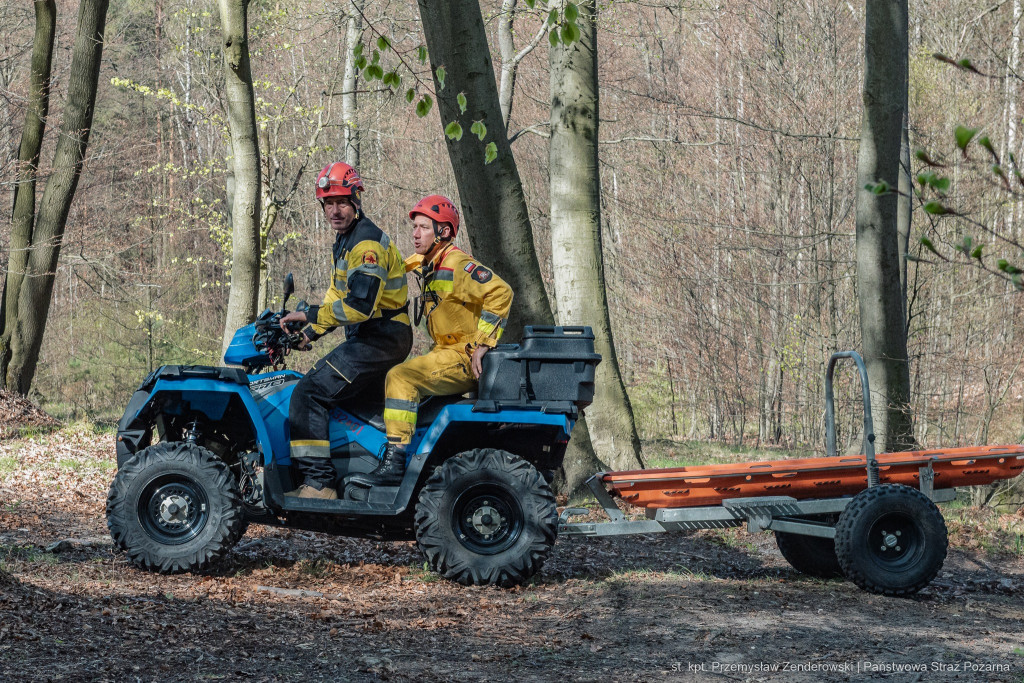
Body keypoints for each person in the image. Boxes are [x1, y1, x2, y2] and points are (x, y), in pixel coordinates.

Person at [349, 195, 513, 488]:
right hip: (444, 352)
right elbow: (400, 265)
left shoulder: (457, 264)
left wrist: (484, 343)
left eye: (424, 227)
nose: (414, 233)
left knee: (401, 378)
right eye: (414, 226)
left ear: (444, 232)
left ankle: (395, 463)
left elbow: (501, 292)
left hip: (463, 357)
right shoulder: (430, 263)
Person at [278, 162, 412, 499]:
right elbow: (337, 296)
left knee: (308, 393)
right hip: (372, 337)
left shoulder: (366, 244)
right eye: (328, 203)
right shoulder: (345, 240)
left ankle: (320, 484)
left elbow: (359, 306)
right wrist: (310, 331)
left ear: (355, 201)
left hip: (382, 338)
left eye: (341, 202)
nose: (335, 210)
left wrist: (309, 313)